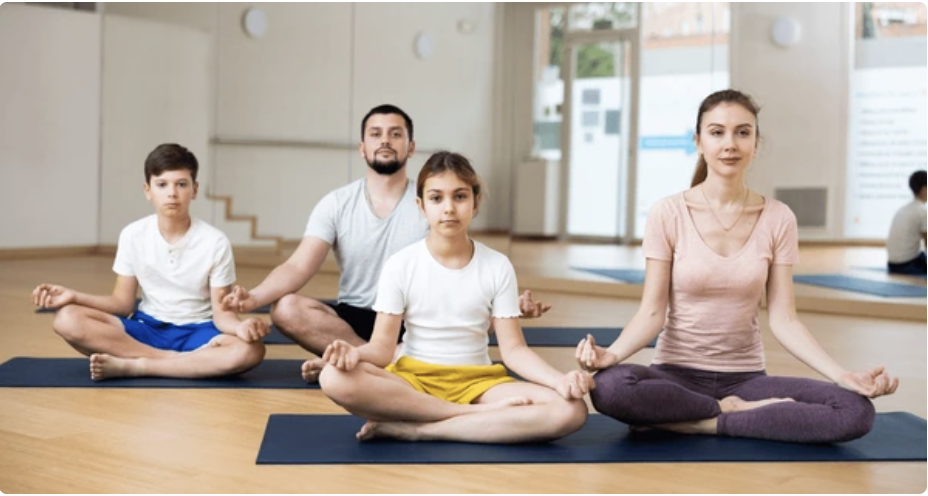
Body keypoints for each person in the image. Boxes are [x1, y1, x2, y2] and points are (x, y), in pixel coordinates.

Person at [575, 89, 899, 444]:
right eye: (717, 132)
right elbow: (652, 312)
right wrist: (613, 354)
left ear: (756, 143)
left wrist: (842, 375)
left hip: (746, 380)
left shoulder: (778, 218)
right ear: (698, 142)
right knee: (610, 388)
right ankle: (732, 413)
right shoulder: (667, 213)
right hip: (674, 376)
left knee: (855, 411)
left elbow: (784, 318)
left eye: (742, 132)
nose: (730, 143)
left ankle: (703, 421)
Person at [221, 104, 549, 382]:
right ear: (362, 147)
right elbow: (297, 265)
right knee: (287, 308)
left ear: (411, 146)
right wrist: (253, 298)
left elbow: (461, 266)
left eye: (395, 133)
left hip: (416, 318)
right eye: (375, 134)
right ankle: (378, 358)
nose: (385, 140)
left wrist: (506, 304)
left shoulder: (431, 200)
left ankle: (366, 363)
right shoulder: (336, 203)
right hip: (354, 315)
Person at [318, 151, 592, 443]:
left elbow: (513, 350)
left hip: (480, 383)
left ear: (475, 203)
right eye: (436, 198)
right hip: (412, 380)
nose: (448, 208)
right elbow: (382, 350)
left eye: (459, 197)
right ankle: (467, 416)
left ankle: (422, 429)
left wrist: (559, 380)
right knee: (332, 377)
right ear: (421, 206)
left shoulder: (497, 265)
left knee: (570, 410)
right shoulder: (400, 264)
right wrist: (352, 355)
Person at [32, 143, 268, 380]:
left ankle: (137, 365)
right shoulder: (132, 235)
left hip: (200, 332)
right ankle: (173, 362)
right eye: (162, 184)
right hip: (147, 328)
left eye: (181, 184)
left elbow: (221, 314)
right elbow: (122, 304)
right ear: (148, 190)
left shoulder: (215, 241)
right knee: (67, 318)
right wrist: (73, 297)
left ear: (194, 190)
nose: (172, 193)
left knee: (250, 350)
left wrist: (240, 327)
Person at [886, 170, 926, 276]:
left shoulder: (904, 209)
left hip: (892, 264)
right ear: (924, 189)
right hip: (906, 266)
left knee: (921, 256)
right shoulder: (922, 210)